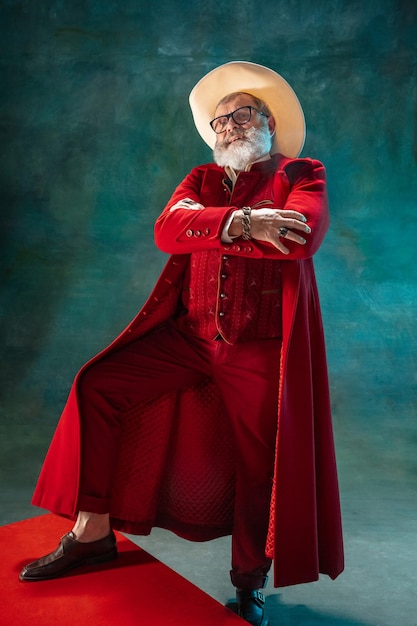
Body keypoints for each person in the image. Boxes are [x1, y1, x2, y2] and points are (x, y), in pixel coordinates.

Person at [19, 61, 344, 626]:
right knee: (98, 386)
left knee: (258, 465)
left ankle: (249, 585)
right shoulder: (199, 179)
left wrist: (209, 226)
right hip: (187, 337)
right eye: (219, 123)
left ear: (266, 121)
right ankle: (91, 532)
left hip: (259, 348)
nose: (229, 129)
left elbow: (300, 237)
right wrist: (244, 224)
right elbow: (167, 230)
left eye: (241, 115)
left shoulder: (301, 173)